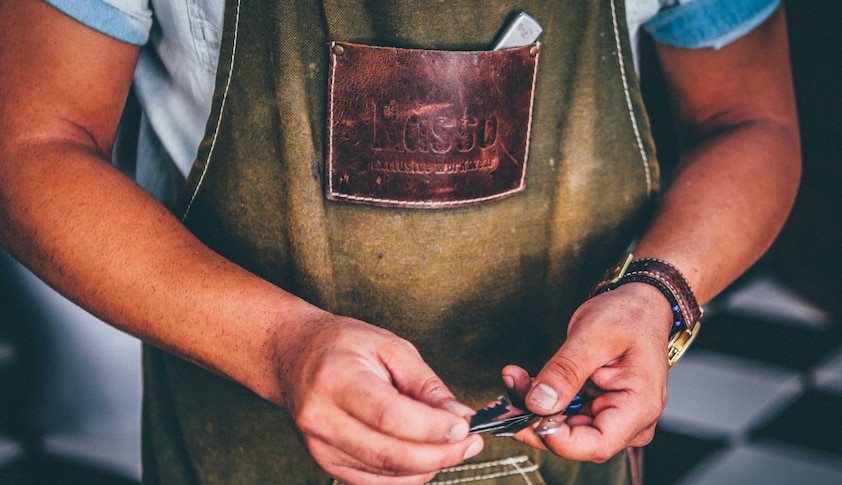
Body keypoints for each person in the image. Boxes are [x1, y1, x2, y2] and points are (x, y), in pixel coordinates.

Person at [0, 0, 800, 483]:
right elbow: (29, 147)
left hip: (566, 456)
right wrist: (279, 344)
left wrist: (657, 290)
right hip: (239, 432)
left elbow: (750, 121)